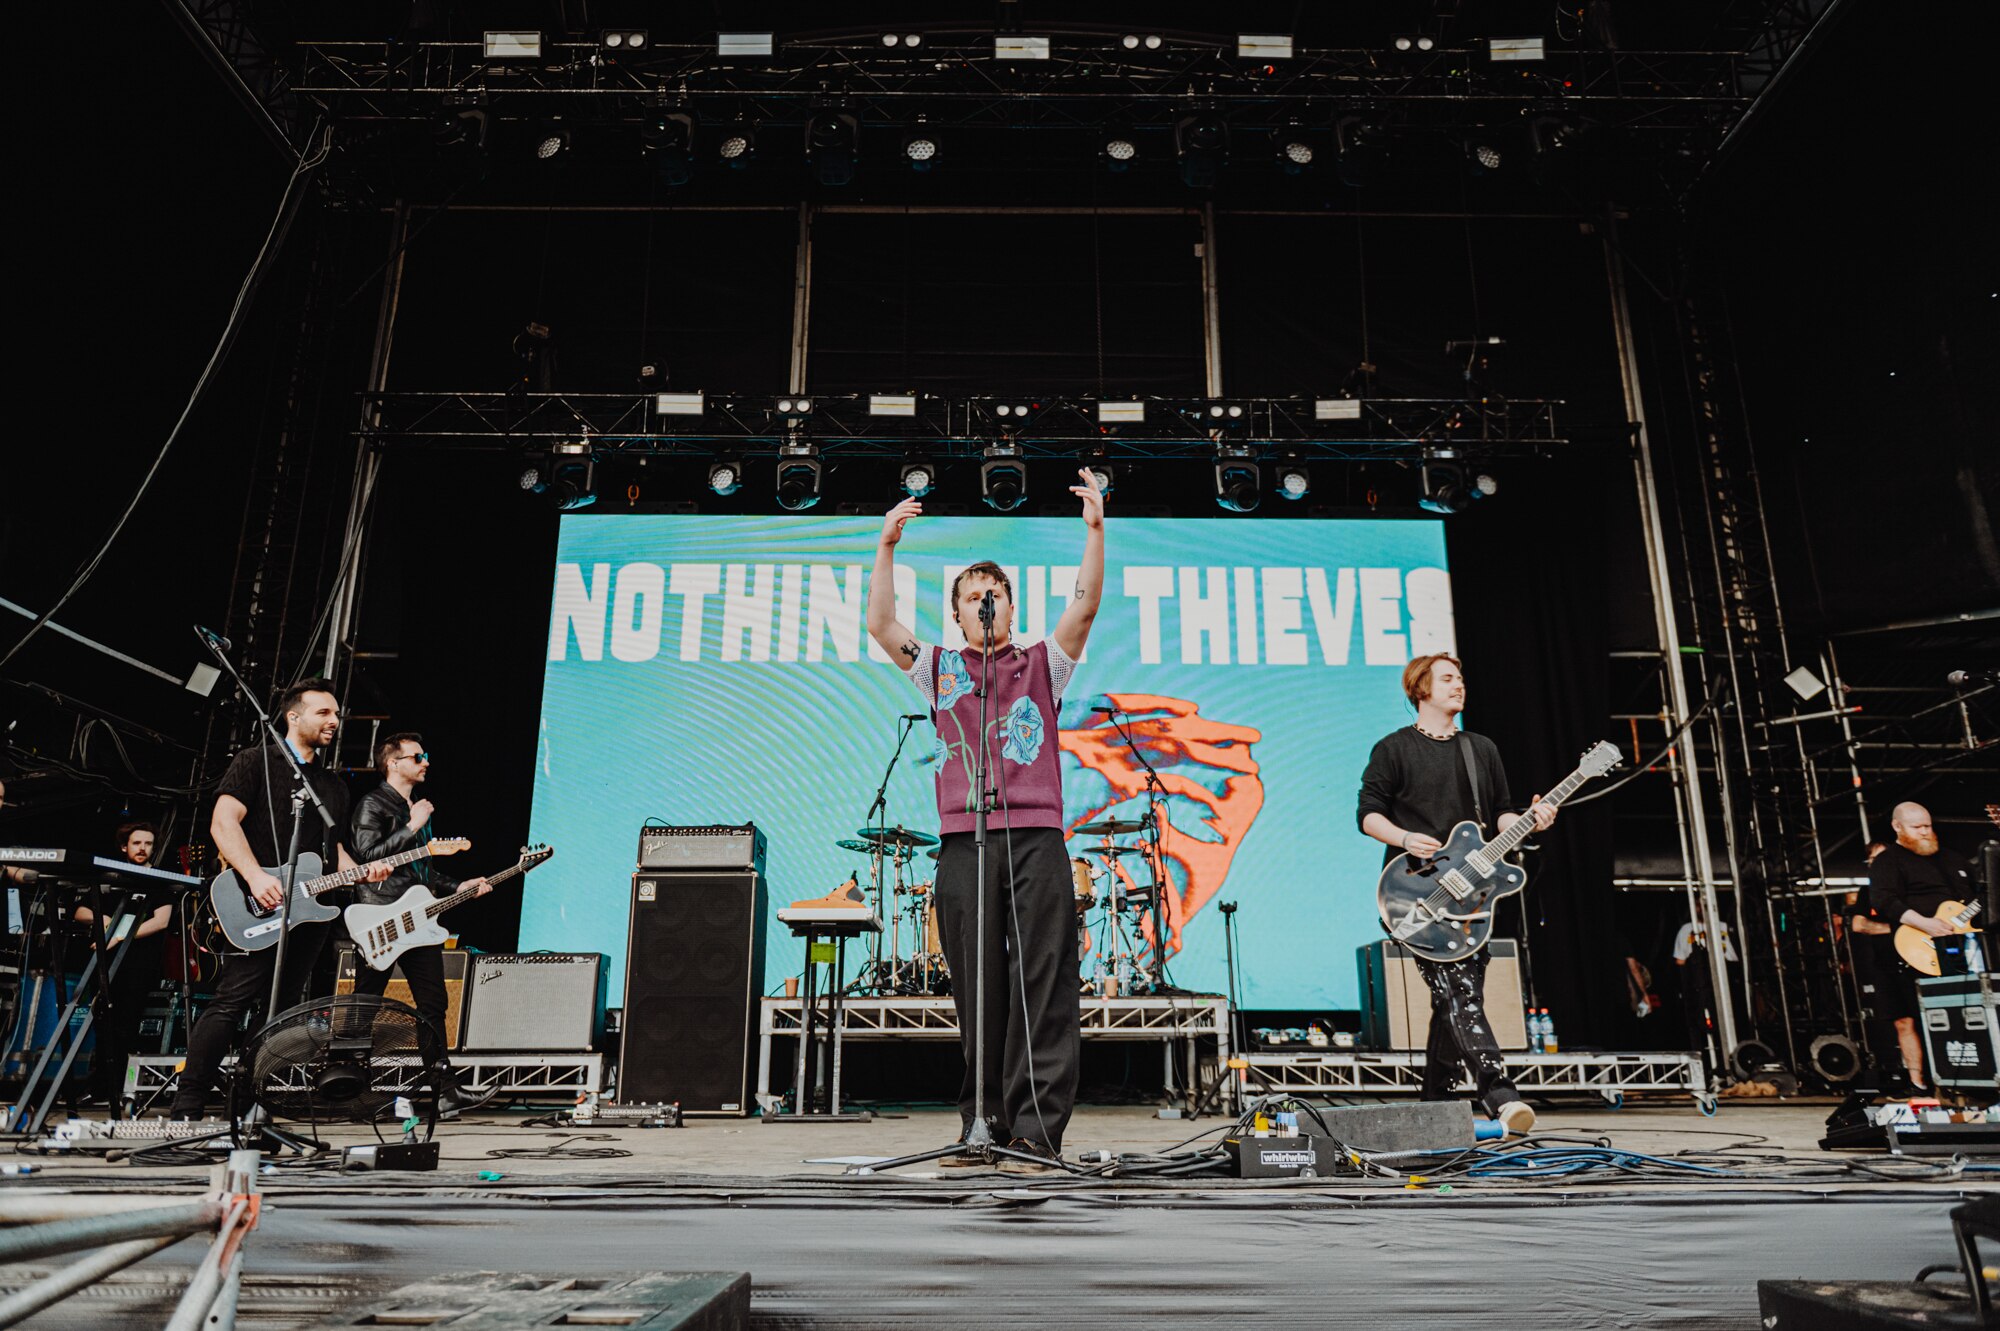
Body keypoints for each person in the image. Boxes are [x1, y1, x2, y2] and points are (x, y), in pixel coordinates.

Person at [864, 468, 1106, 1174]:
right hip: (963, 840)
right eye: (972, 596)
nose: (984, 602)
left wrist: (1095, 532)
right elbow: (882, 625)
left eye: (993, 593)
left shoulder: (1040, 663)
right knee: (979, 989)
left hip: (1036, 837)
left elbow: (1084, 609)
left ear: (1007, 604)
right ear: (958, 613)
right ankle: (982, 1124)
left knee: (1044, 982)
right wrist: (886, 546)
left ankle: (1036, 1132)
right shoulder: (938, 668)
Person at [167, 680, 390, 1119]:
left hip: (308, 913)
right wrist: (253, 876)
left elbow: (335, 852)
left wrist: (365, 870)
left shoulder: (333, 786)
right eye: (324, 712)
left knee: (284, 1011)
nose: (335, 721)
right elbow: (223, 822)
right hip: (256, 902)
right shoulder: (255, 762)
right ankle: (187, 1106)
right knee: (232, 1000)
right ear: (294, 716)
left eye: (336, 713)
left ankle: (252, 1106)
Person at [1357, 653, 1555, 1135]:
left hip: (1473, 896)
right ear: (1421, 689)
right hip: (1416, 893)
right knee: (1459, 990)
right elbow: (1367, 814)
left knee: (1456, 997)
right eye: (1447, 678)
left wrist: (1531, 821)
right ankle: (1499, 1094)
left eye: (1461, 678)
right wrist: (1403, 838)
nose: (1458, 685)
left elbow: (1501, 814)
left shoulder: (1480, 749)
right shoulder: (1393, 748)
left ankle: (1434, 1105)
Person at [347, 733, 488, 1112]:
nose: (425, 762)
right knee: (364, 1005)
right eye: (417, 756)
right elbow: (366, 857)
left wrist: (460, 885)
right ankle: (347, 1087)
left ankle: (445, 1091)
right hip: (379, 919)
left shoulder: (416, 809)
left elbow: (421, 872)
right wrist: (412, 825)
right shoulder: (373, 804)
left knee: (432, 1004)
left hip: (417, 919)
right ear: (393, 763)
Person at [1867, 802, 1981, 1093]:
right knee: (1922, 1017)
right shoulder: (1888, 861)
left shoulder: (1953, 860)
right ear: (1898, 827)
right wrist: (1926, 924)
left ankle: (1975, 1077)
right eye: (1917, 827)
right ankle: (1925, 1082)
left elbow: (1980, 898)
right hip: (1917, 947)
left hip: (1963, 949)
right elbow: (1885, 901)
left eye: (1928, 826)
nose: (1925, 832)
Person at [73, 823, 176, 1109]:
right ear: (124, 847)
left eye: (148, 844)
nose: (143, 848)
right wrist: (107, 924)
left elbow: (162, 920)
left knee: (126, 1025)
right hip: (106, 964)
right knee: (103, 1020)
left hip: (140, 962)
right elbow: (80, 910)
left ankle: (121, 1087)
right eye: (137, 843)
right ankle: (99, 1087)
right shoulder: (110, 876)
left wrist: (119, 936)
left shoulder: (160, 880)